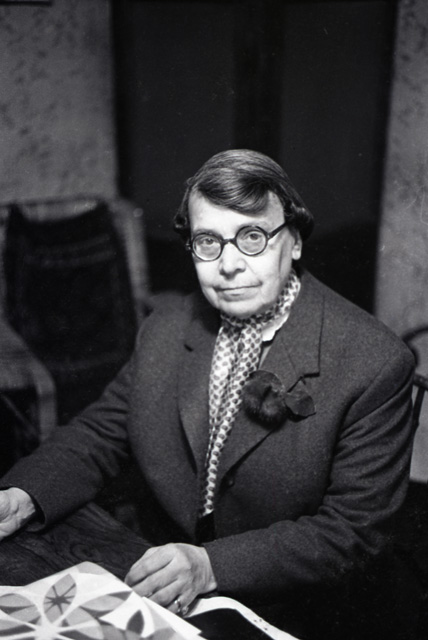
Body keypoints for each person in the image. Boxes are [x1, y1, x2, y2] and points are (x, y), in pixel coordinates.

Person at [0, 150, 415, 639]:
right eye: (208, 242)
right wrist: (23, 496)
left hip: (297, 608)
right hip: (162, 581)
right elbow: (102, 431)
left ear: (295, 241)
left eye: (253, 237)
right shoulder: (166, 326)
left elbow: (354, 531)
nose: (229, 265)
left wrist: (209, 565)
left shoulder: (373, 361)